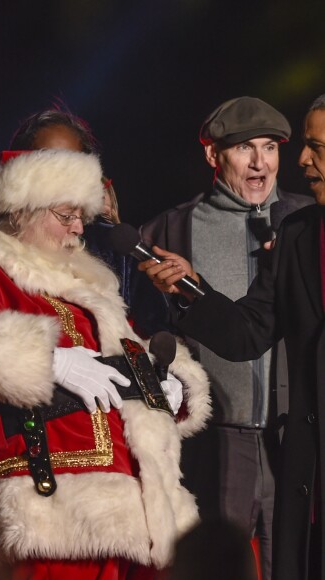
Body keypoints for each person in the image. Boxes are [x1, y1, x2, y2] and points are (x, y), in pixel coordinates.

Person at [0, 147, 211, 579]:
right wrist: (47, 360)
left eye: (80, 216)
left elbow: (127, 350)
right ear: (23, 211)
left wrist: (166, 380)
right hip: (49, 504)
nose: (78, 229)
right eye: (65, 214)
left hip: (136, 503)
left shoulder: (86, 281)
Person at [138, 93, 325, 580]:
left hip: (293, 443)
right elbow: (245, 329)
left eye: (273, 147)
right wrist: (189, 294)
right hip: (224, 442)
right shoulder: (173, 230)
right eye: (246, 148)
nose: (265, 162)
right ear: (214, 155)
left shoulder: (297, 221)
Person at [6, 107, 170, 337]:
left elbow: (153, 332)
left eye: (73, 168)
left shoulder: (111, 247)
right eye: (47, 166)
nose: (60, 178)